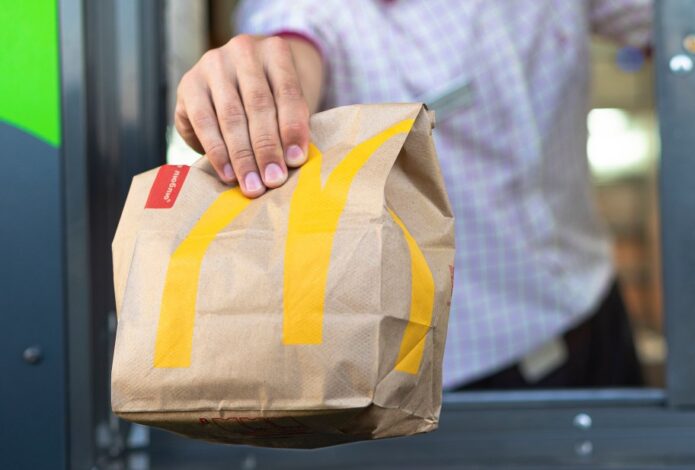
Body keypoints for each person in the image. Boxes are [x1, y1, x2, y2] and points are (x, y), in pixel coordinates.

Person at [174, 0, 651, 390]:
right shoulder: (315, 12)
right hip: (465, 381)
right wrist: (254, 76)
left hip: (597, 311)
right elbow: (287, 47)